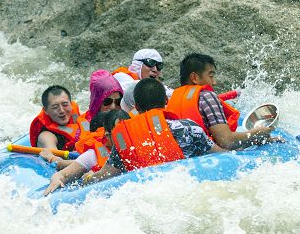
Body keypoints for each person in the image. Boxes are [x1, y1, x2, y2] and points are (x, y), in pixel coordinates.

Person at [44, 79, 225, 195]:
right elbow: (221, 156)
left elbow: (104, 176)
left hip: (144, 194)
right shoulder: (189, 128)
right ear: (167, 101)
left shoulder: (125, 140)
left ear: (136, 107)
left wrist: (86, 179)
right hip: (185, 189)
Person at [167, 53, 276, 150]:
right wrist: (258, 133)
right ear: (194, 77)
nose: (214, 82)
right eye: (211, 76)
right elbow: (227, 142)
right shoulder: (207, 97)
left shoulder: (171, 100)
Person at [28, 85, 86, 151]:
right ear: (46, 110)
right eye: (55, 107)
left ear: (71, 105)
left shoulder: (77, 116)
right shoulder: (46, 136)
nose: (61, 110)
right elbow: (54, 157)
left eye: (65, 104)